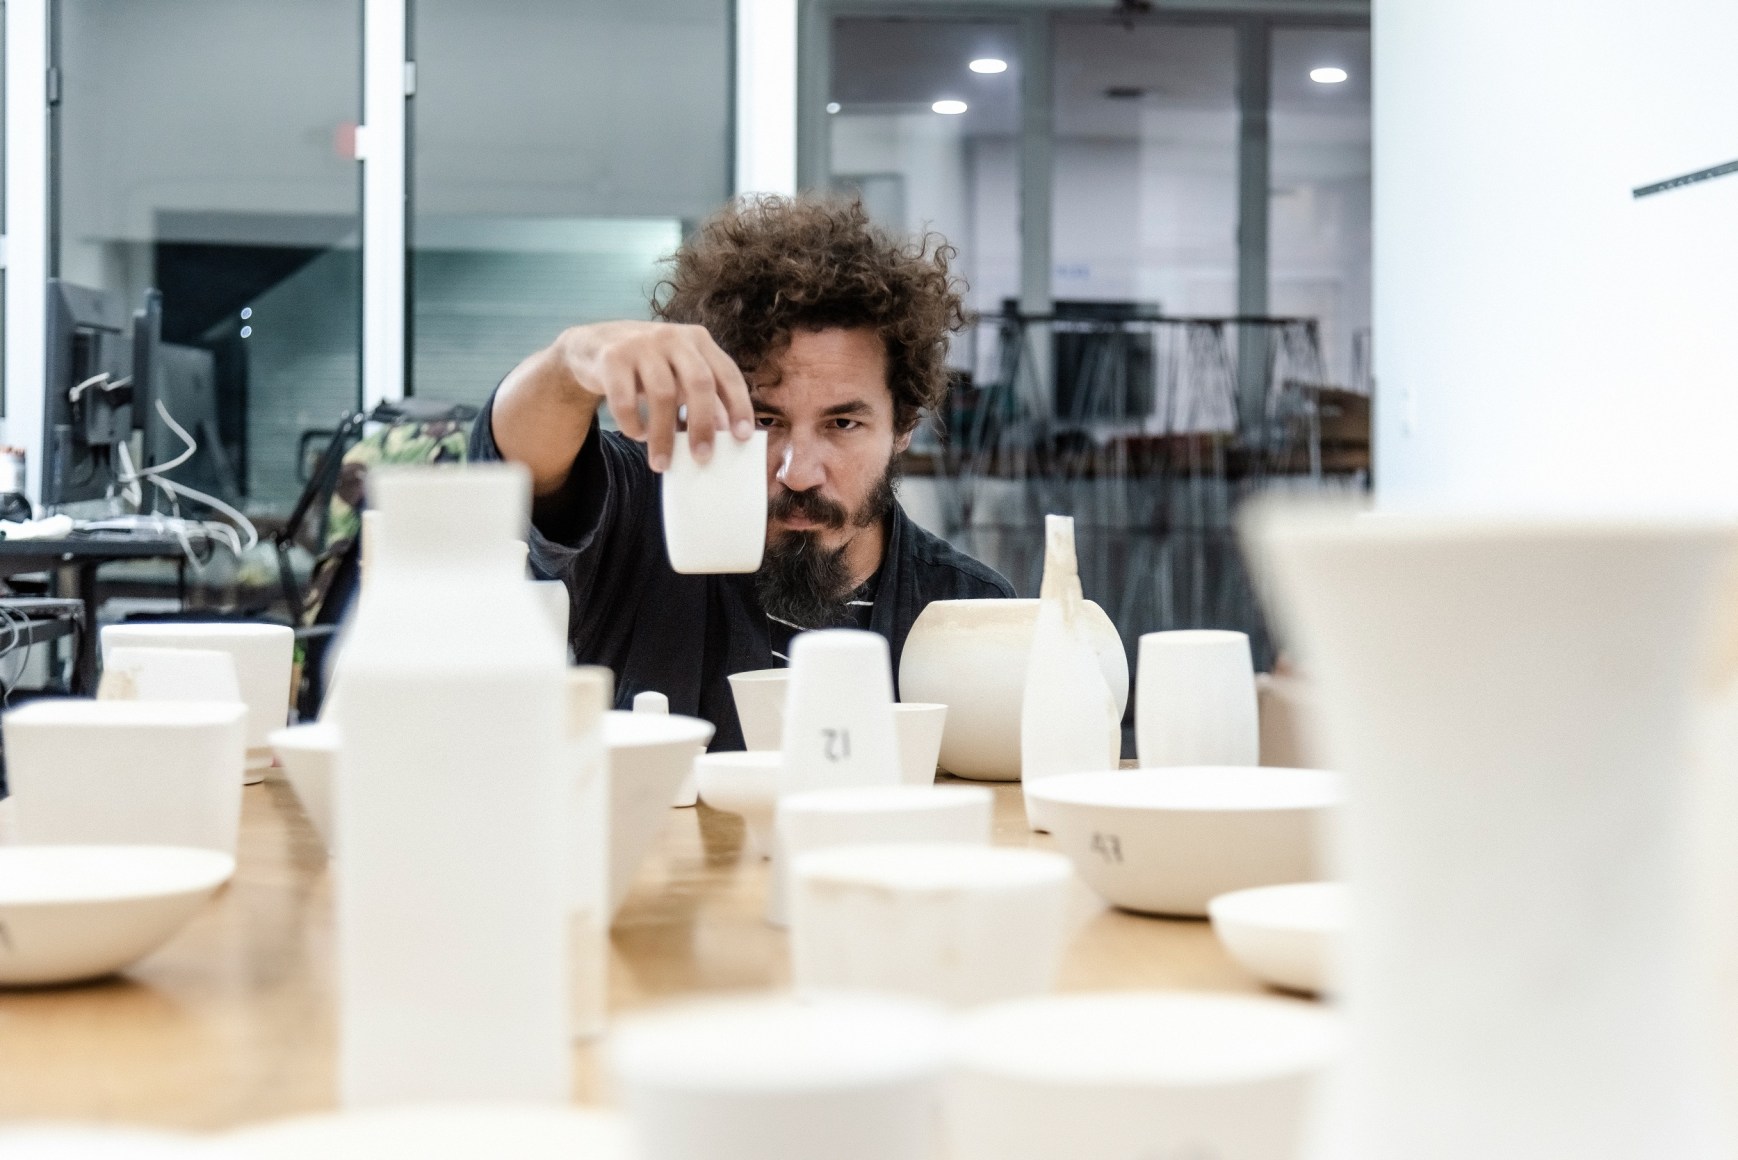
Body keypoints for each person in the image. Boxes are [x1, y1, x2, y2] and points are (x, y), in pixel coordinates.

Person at [471, 195, 1013, 749]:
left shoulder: (969, 614)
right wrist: (570, 365)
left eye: (843, 423)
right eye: (762, 420)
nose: (798, 474)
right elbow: (511, 469)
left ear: (905, 425)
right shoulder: (638, 522)